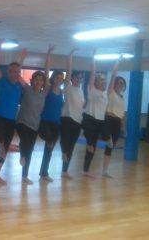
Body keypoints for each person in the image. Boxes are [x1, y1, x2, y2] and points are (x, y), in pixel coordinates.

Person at [15, 45, 53, 185]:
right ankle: (21, 156)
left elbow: (47, 72)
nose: (39, 81)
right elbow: (18, 73)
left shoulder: (44, 93)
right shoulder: (27, 89)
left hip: (34, 125)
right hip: (22, 122)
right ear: (32, 80)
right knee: (25, 142)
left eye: (41, 80)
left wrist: (48, 53)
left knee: (29, 149)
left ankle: (24, 176)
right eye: (36, 79)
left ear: (43, 83)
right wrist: (22, 59)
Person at [0, 39, 27, 184]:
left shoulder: (19, 85)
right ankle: (0, 149)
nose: (15, 74)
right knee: (1, 146)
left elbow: (19, 68)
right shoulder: (2, 80)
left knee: (4, 149)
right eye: (12, 71)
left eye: (17, 72)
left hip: (11, 120)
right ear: (8, 72)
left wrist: (22, 59)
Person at [81, 50, 114, 177]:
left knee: (109, 142)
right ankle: (85, 170)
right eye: (101, 81)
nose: (104, 82)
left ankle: (91, 144)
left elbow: (113, 79)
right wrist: (93, 57)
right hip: (89, 118)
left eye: (104, 81)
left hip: (101, 121)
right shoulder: (92, 90)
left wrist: (117, 63)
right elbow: (92, 73)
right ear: (96, 82)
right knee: (91, 148)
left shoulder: (106, 93)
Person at [38, 46, 65, 182]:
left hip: (56, 123)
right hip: (45, 122)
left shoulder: (61, 92)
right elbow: (46, 70)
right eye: (58, 77)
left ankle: (44, 173)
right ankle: (43, 172)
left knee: (49, 150)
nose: (59, 79)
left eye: (61, 78)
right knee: (49, 142)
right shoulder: (48, 88)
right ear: (53, 78)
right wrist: (48, 53)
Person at [59, 49, 84, 179]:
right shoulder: (68, 87)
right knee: (65, 141)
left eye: (80, 78)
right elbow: (68, 72)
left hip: (77, 121)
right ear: (72, 78)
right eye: (76, 77)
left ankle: (65, 171)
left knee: (71, 146)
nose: (78, 79)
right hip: (66, 118)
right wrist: (70, 56)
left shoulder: (81, 91)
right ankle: (63, 153)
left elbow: (81, 106)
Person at [102, 58, 125, 178]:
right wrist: (118, 63)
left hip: (117, 122)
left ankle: (105, 171)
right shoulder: (110, 93)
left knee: (110, 147)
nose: (120, 85)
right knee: (108, 141)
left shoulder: (122, 98)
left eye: (122, 83)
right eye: (118, 83)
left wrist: (123, 128)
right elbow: (113, 76)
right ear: (115, 84)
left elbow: (122, 115)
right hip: (108, 119)